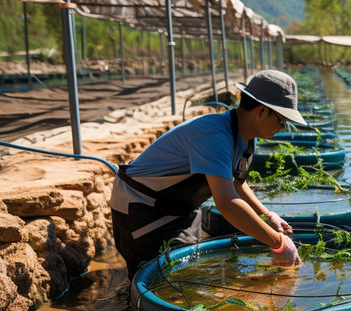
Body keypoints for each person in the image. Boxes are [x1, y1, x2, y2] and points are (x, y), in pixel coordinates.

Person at [110, 69, 305, 276]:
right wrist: (279, 243)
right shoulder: (214, 135)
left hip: (178, 207)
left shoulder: (246, 137)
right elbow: (227, 203)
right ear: (262, 111)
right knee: (161, 277)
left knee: (190, 266)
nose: (282, 126)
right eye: (281, 119)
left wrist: (266, 215)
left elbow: (237, 184)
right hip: (142, 207)